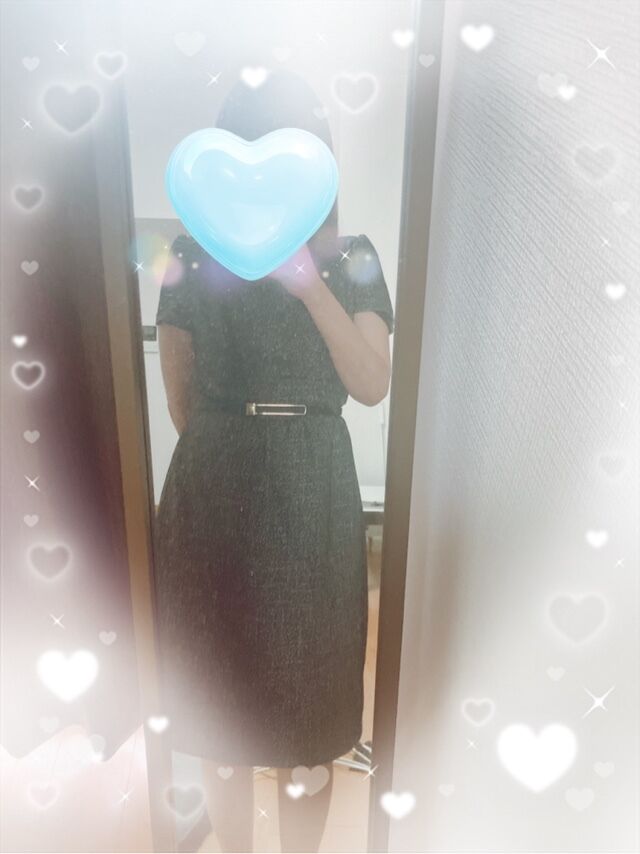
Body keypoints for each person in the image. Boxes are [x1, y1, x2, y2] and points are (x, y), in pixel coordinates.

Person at [153, 68, 395, 853]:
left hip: (314, 485)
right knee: (220, 707)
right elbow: (182, 401)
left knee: (311, 708)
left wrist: (310, 288)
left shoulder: (351, 256)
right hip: (215, 484)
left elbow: (371, 383)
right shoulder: (190, 256)